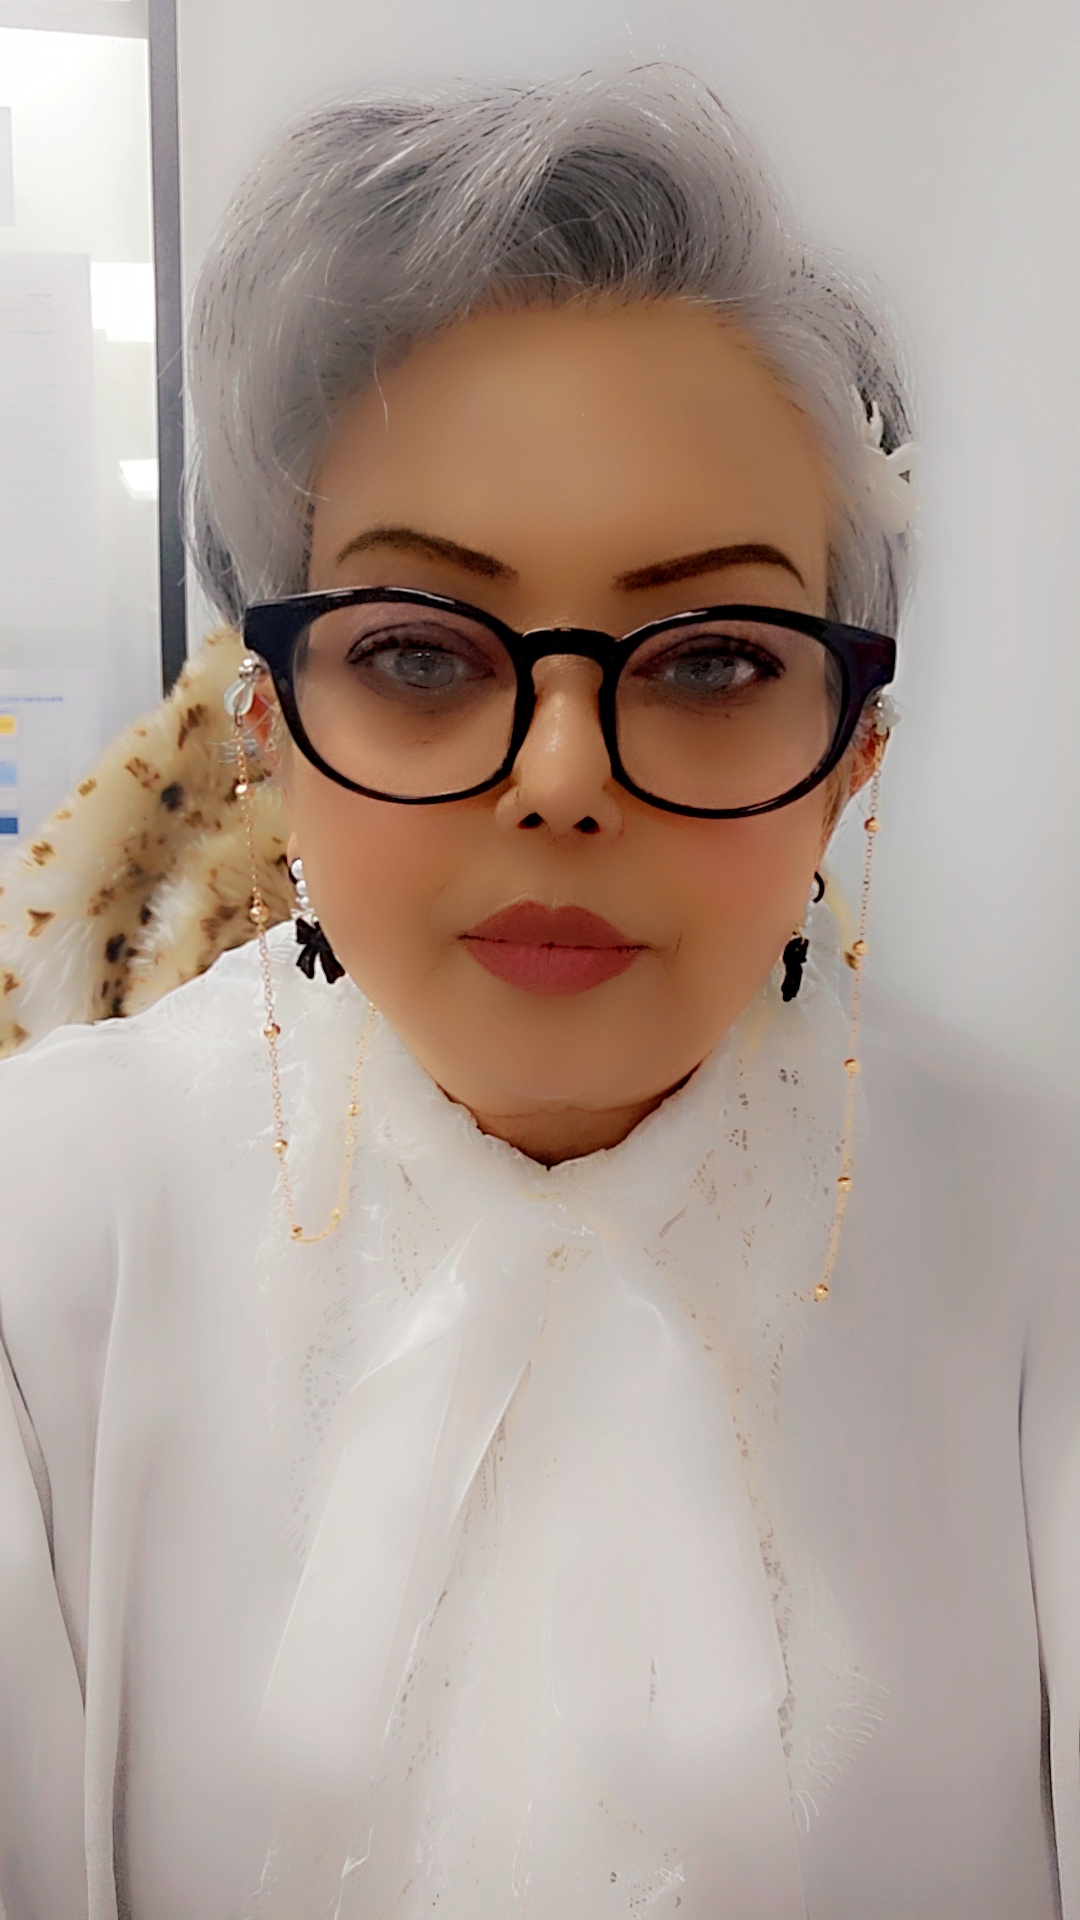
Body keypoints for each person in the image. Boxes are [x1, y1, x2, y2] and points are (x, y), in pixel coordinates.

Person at [0, 63, 1076, 1920]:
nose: (562, 778)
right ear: (270, 721)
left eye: (713, 658)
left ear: (852, 754)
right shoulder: (46, 1235)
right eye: (419, 652)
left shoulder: (1034, 1238)